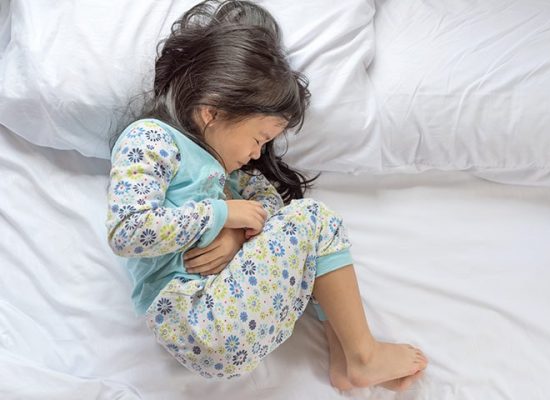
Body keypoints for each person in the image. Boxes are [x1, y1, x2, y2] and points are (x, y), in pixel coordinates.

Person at [106, 0, 427, 391]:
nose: (258, 153)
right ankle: (364, 354)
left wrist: (236, 234)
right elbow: (127, 230)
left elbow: (270, 209)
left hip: (224, 312)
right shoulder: (151, 139)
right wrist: (222, 215)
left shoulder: (231, 172)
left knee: (308, 237)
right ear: (212, 112)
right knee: (314, 220)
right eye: (259, 138)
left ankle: (345, 360)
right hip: (193, 314)